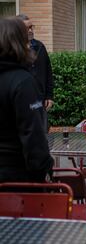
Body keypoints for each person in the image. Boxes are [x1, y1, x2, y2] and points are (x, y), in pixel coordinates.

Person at [0, 17, 54, 183]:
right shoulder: (23, 82)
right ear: (17, 43)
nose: (30, 44)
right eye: (25, 40)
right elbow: (33, 134)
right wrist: (44, 171)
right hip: (16, 177)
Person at [16, 14, 54, 133]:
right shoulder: (12, 50)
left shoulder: (40, 47)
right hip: (20, 101)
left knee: (42, 132)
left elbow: (48, 72)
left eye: (32, 27)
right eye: (27, 28)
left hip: (39, 100)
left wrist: (49, 96)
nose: (31, 30)